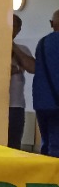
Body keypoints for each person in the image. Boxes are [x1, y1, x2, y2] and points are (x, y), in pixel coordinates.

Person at [33, 9, 59, 157]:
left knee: (47, 141)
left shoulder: (42, 43)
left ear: (51, 23)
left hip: (42, 101)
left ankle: (46, 168)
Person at [10, 14, 34, 149]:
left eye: (13, 26)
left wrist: (12, 46)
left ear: (18, 30)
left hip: (15, 106)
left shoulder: (23, 49)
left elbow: (32, 68)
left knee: (14, 144)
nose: (9, 28)